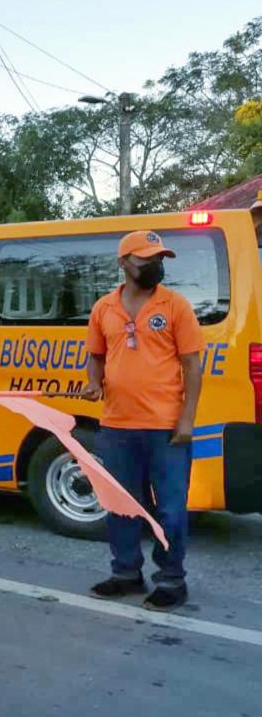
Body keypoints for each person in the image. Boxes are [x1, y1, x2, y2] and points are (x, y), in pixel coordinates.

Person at [83, 230, 204, 612]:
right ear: (123, 264)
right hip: (117, 426)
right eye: (146, 259)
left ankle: (171, 580)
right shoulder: (104, 308)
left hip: (166, 428)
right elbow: (96, 355)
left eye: (159, 259)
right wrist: (93, 382)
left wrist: (187, 419)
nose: (156, 266)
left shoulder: (175, 306)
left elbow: (192, 365)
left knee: (169, 508)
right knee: (122, 505)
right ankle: (125, 574)